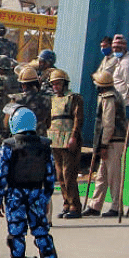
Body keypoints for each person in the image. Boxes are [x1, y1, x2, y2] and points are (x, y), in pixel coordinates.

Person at [0, 108, 61, 258]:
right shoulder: (44, 145)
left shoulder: (9, 145)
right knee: (42, 235)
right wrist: (46, 197)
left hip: (15, 196)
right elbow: (50, 175)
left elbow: (1, 174)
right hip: (37, 195)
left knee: (16, 236)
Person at [83, 70, 127, 217]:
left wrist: (103, 145)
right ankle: (95, 205)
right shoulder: (111, 95)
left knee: (113, 176)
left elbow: (108, 124)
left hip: (112, 141)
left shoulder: (109, 97)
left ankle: (116, 207)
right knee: (101, 176)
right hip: (111, 140)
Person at [45, 69, 84, 219]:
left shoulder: (74, 98)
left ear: (65, 84)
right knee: (60, 175)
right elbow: (49, 120)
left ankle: (75, 206)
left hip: (69, 140)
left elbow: (78, 119)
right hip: (55, 140)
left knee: (69, 174)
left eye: (58, 83)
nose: (55, 86)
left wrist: (74, 137)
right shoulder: (52, 100)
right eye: (53, 84)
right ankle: (66, 203)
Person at [98, 33, 129, 110]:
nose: (115, 50)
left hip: (125, 104)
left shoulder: (125, 64)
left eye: (118, 48)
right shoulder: (119, 61)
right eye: (114, 48)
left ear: (124, 48)